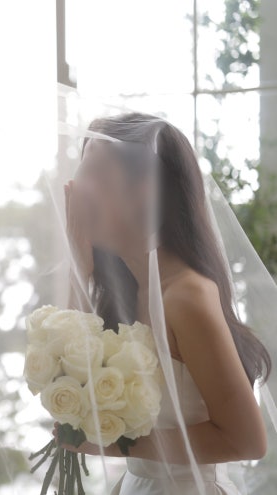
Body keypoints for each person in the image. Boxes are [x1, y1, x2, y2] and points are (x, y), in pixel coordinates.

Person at [60, 113, 270, 494]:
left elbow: (247, 440)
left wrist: (114, 442)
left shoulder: (186, 296)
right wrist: (80, 267)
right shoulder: (131, 292)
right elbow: (74, 399)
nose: (76, 189)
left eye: (95, 173)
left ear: (145, 190)